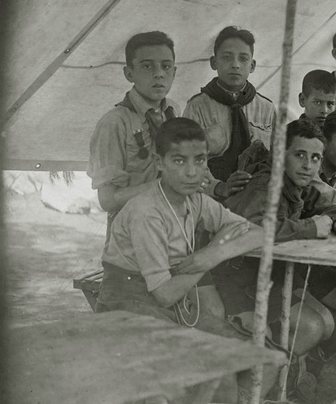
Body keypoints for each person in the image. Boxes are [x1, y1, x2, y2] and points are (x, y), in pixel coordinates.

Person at [96, 118, 276, 402]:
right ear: (159, 162)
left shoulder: (195, 200)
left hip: (175, 294)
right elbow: (164, 294)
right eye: (179, 161)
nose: (192, 172)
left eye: (200, 160)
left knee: (262, 360)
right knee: (202, 377)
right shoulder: (147, 211)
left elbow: (258, 233)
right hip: (129, 300)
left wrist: (214, 252)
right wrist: (209, 256)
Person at [220, 119, 336, 400]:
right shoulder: (264, 185)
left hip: (282, 267)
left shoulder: (298, 184)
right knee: (315, 324)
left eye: (315, 157)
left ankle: (306, 368)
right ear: (280, 154)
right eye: (299, 155)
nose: (308, 164)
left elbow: (325, 206)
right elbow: (258, 228)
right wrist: (310, 227)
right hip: (243, 276)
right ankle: (273, 388)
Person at [88, 31, 180, 240]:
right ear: (129, 73)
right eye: (147, 66)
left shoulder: (173, 111)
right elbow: (108, 200)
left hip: (172, 230)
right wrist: (164, 186)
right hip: (130, 234)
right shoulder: (114, 123)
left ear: (174, 72)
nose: (159, 74)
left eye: (166, 66)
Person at [183, 26, 276, 201]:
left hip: (256, 197)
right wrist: (219, 187)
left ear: (252, 65)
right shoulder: (197, 107)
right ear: (213, 62)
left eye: (243, 58)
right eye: (227, 57)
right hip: (210, 197)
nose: (235, 64)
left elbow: (276, 158)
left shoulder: (267, 108)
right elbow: (190, 161)